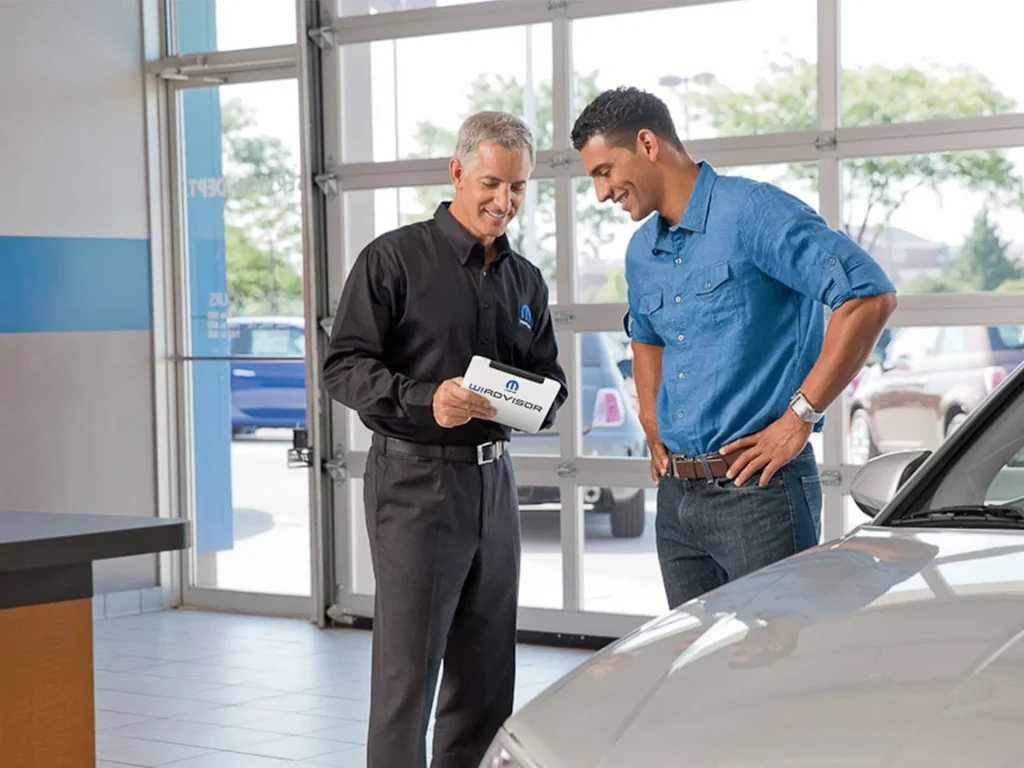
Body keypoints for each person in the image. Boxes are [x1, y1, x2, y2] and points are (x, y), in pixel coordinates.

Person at [570, 86, 897, 610]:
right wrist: (653, 425)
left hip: (759, 497)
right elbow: (646, 336)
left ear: (648, 145)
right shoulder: (640, 251)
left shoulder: (753, 212)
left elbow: (868, 295)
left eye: (604, 170)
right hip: (677, 502)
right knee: (695, 671)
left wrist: (800, 419)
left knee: (773, 678)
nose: (602, 192)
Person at [322, 110, 568, 768]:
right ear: (457, 171)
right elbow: (343, 368)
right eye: (491, 183)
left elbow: (552, 385)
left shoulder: (524, 280)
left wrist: (536, 404)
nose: (504, 202)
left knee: (487, 675)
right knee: (408, 678)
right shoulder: (393, 259)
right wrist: (427, 398)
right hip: (414, 484)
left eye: (518, 189)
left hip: (495, 484)